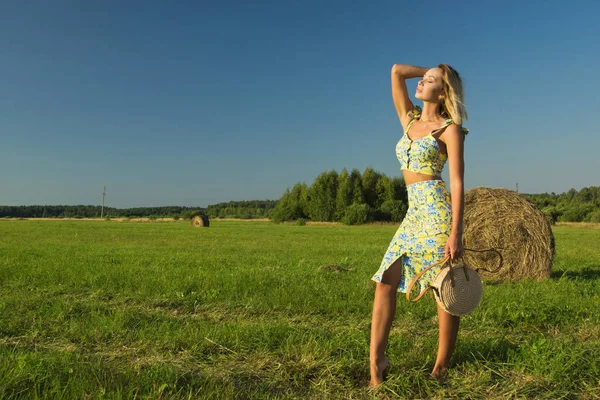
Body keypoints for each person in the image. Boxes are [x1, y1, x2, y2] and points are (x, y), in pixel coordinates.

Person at [369, 63, 469, 386]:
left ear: (442, 92)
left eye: (430, 81)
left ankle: (440, 367)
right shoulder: (409, 119)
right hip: (413, 214)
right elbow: (397, 72)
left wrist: (456, 232)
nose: (422, 81)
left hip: (437, 211)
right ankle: (377, 363)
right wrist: (430, 68)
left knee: (444, 290)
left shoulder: (449, 129)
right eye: (423, 78)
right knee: (385, 280)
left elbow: (457, 182)